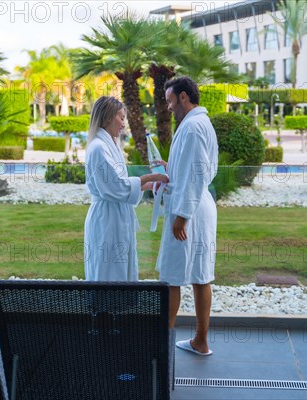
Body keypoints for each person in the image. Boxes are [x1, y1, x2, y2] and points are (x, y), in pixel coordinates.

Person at [156, 77, 218, 356]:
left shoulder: (192, 127)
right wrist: (171, 168)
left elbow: (194, 174)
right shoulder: (200, 124)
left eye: (170, 100)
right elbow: (201, 170)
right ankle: (200, 341)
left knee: (172, 278)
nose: (168, 107)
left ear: (183, 97)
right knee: (200, 274)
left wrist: (182, 215)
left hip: (189, 209)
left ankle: (162, 346)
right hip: (199, 205)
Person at [84, 96, 169, 281]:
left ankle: (116, 309)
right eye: (121, 118)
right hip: (107, 219)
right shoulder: (99, 148)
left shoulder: (110, 144)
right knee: (108, 271)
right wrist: (149, 177)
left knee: (118, 269)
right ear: (107, 117)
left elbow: (118, 184)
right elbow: (116, 187)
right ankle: (105, 310)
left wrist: (147, 185)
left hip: (115, 215)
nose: (124, 124)